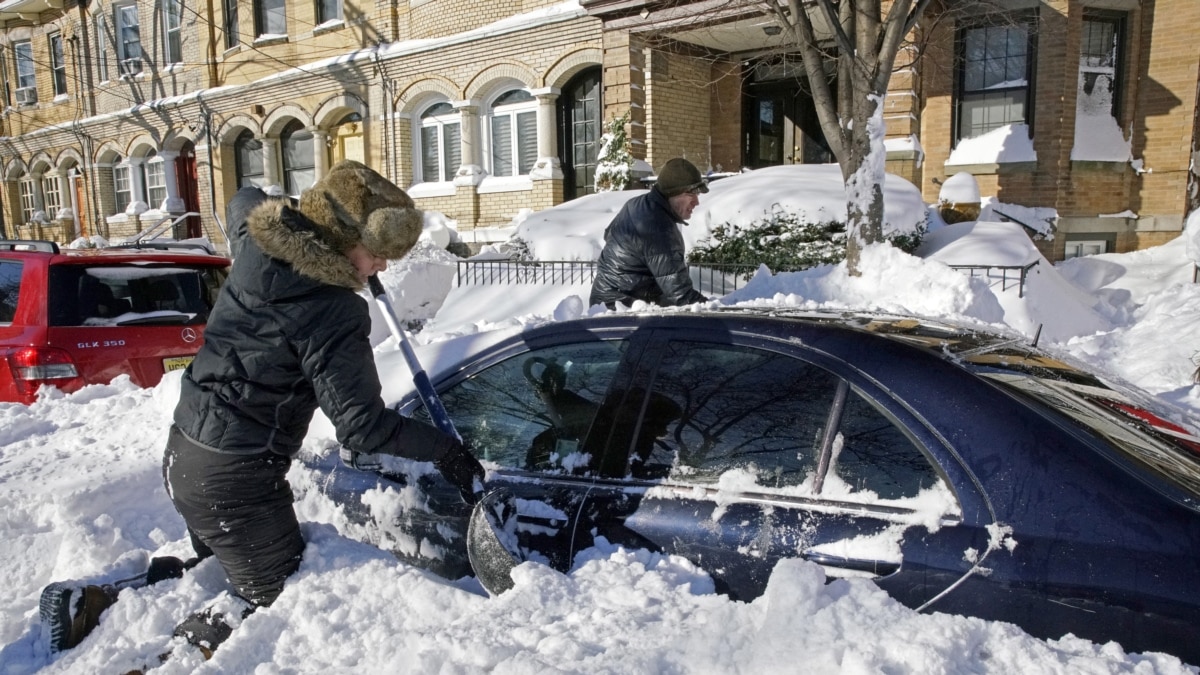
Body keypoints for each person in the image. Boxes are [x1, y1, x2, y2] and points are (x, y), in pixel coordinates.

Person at [40, 160, 486, 658]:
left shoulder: (256, 241)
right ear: (342, 239)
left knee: (222, 572)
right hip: (237, 481)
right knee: (273, 597)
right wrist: (445, 451)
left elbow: (243, 197)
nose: (381, 268)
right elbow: (362, 428)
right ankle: (161, 662)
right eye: (376, 254)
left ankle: (95, 603)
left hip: (185, 452)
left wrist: (297, 215)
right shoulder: (333, 312)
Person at [589, 157, 710, 309]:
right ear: (673, 192)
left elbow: (609, 236)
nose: (696, 202)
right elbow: (681, 295)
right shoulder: (658, 227)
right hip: (621, 310)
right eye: (691, 194)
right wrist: (716, 309)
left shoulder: (639, 204)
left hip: (605, 300)